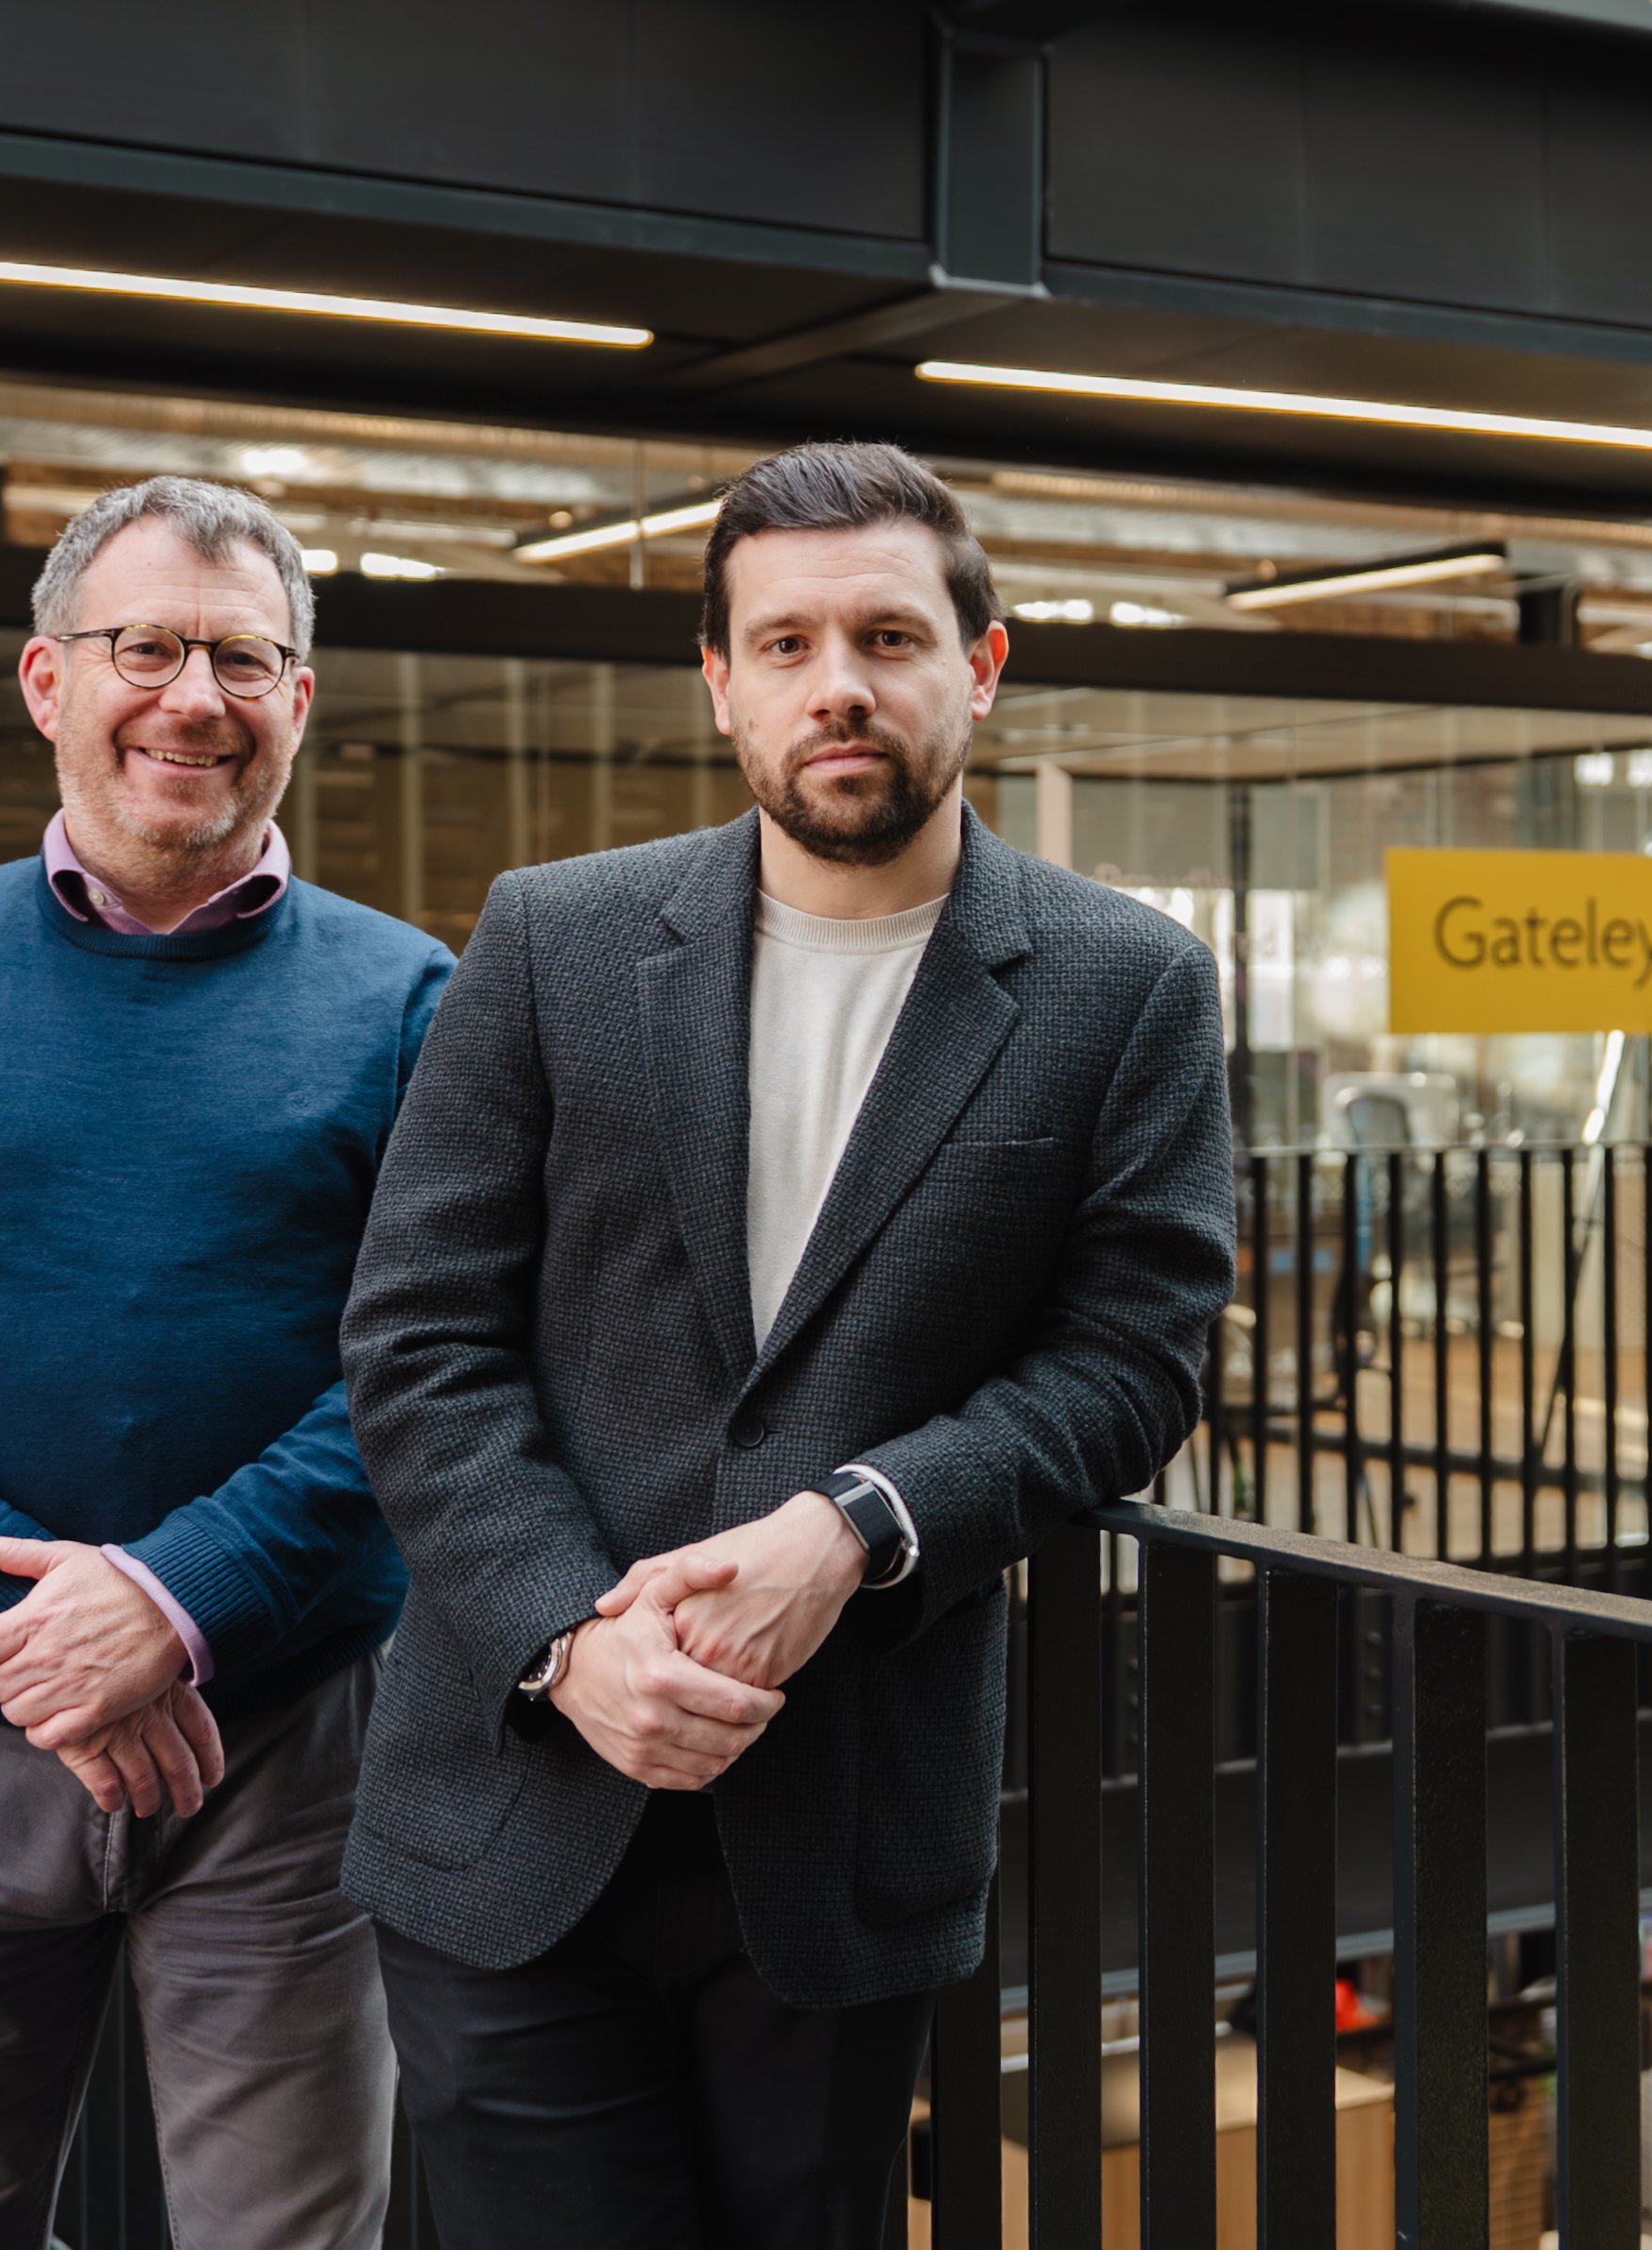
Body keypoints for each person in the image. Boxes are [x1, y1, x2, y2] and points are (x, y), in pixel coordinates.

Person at [341, 440, 1237, 2249]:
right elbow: (418, 1328)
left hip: (838, 1828)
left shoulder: (1120, 982)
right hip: (515, 1798)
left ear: (978, 667)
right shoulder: (555, 937)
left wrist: (858, 1522)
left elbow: (1135, 1357)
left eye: (891, 636)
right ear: (722, 682)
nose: (841, 683)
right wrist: (569, 1632)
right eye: (788, 643)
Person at [0, 475, 453, 2250]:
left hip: (280, 1744)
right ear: (47, 681)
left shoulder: (418, 1000)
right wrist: (48, 1650)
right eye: (146, 646)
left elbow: (428, 1372)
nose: (193, 696)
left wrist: (175, 1599)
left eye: (243, 656)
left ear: (300, 697)